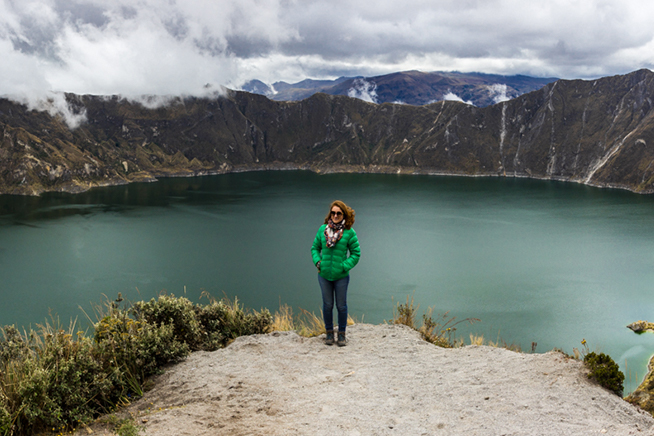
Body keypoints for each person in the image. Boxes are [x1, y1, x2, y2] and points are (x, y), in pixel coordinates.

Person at [311, 200, 361, 346]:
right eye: (333, 213)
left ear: (343, 214)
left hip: (341, 277)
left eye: (339, 213)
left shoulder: (349, 233)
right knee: (327, 305)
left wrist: (344, 266)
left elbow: (356, 254)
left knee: (341, 306)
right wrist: (318, 262)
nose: (335, 215)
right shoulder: (323, 230)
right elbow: (315, 248)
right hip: (324, 275)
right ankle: (329, 333)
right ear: (330, 214)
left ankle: (341, 334)